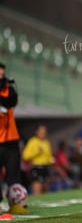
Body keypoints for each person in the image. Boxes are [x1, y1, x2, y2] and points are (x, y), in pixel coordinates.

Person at [0, 62, 23, 209]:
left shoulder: (8, 89)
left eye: (2, 73)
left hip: (11, 139)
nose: (1, 76)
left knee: (13, 175)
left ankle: (15, 203)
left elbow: (12, 102)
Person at [22, 125, 54, 195]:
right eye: (41, 132)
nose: (43, 134)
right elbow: (25, 156)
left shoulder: (46, 142)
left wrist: (51, 160)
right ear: (37, 132)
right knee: (37, 189)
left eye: (44, 132)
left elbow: (49, 156)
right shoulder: (32, 142)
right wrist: (36, 151)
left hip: (46, 167)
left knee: (46, 189)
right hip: (37, 167)